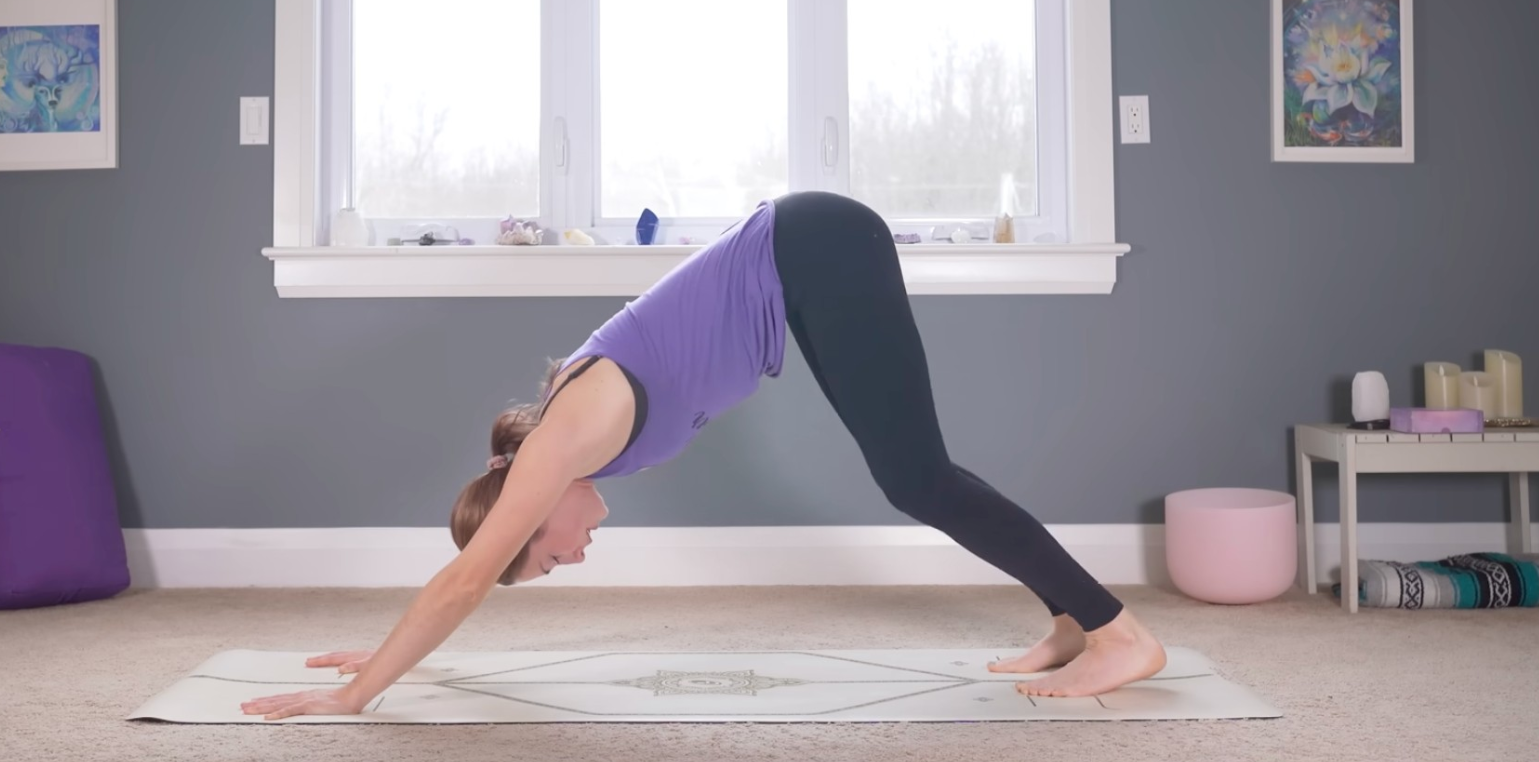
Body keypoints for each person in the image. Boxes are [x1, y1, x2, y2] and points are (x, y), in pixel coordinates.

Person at [242, 192, 1165, 720]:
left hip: (816, 246)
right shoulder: (576, 448)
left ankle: (1120, 634)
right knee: (911, 475)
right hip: (806, 259)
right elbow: (472, 583)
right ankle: (1072, 621)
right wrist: (391, 654)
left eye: (549, 553)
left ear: (530, 507)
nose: (574, 557)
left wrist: (361, 693)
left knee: (916, 476)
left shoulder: (566, 440)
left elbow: (463, 582)